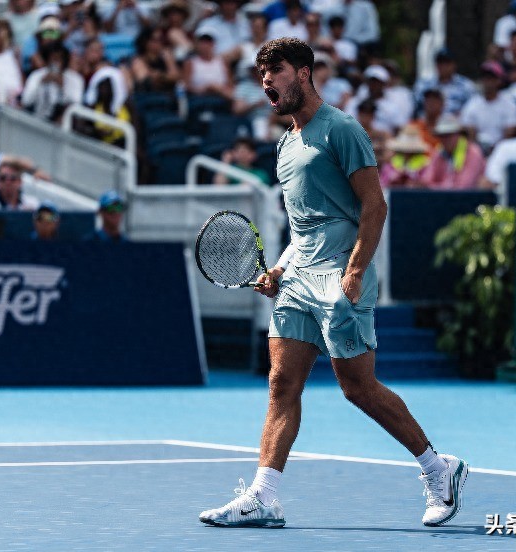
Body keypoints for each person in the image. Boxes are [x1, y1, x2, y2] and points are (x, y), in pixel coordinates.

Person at [198, 37, 468, 529]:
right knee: (282, 384)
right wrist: (279, 267)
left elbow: (375, 205)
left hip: (341, 276)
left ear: (303, 72)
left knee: (358, 388)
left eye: (275, 71)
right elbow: (302, 227)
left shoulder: (342, 129)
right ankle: (264, 496)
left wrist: (357, 270)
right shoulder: (284, 145)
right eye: (261, 74)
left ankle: (438, 467)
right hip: (299, 278)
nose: (266, 82)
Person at [460, 61, 516, 154]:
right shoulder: (472, 104)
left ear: (499, 80)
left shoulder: (510, 104)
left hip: (502, 150)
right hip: (477, 151)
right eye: (485, 77)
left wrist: (495, 150)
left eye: (491, 78)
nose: (488, 81)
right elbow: (469, 131)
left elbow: (509, 134)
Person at [417, 114, 487, 190]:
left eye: (449, 135)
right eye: (442, 135)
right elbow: (426, 180)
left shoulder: (473, 153)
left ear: (458, 134)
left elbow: (462, 186)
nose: (445, 139)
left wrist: (433, 186)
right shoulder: (439, 152)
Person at [21, 42, 84, 122]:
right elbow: (26, 101)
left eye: (59, 59)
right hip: (36, 119)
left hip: (61, 125)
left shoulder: (76, 79)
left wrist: (63, 87)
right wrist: (40, 83)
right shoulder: (37, 75)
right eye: (53, 59)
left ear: (65, 60)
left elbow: (76, 107)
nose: (56, 62)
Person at [413, 48, 476, 116]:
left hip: (456, 124)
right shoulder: (423, 84)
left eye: (447, 62)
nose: (443, 66)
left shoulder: (466, 86)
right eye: (440, 62)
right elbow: (415, 108)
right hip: (428, 124)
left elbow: (474, 109)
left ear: (454, 64)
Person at [184, 28, 234, 100]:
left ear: (213, 44)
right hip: (199, 98)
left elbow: (230, 85)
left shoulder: (223, 62)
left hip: (221, 98)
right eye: (202, 42)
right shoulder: (190, 63)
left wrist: (216, 88)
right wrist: (204, 89)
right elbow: (186, 86)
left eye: (208, 42)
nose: (205, 45)